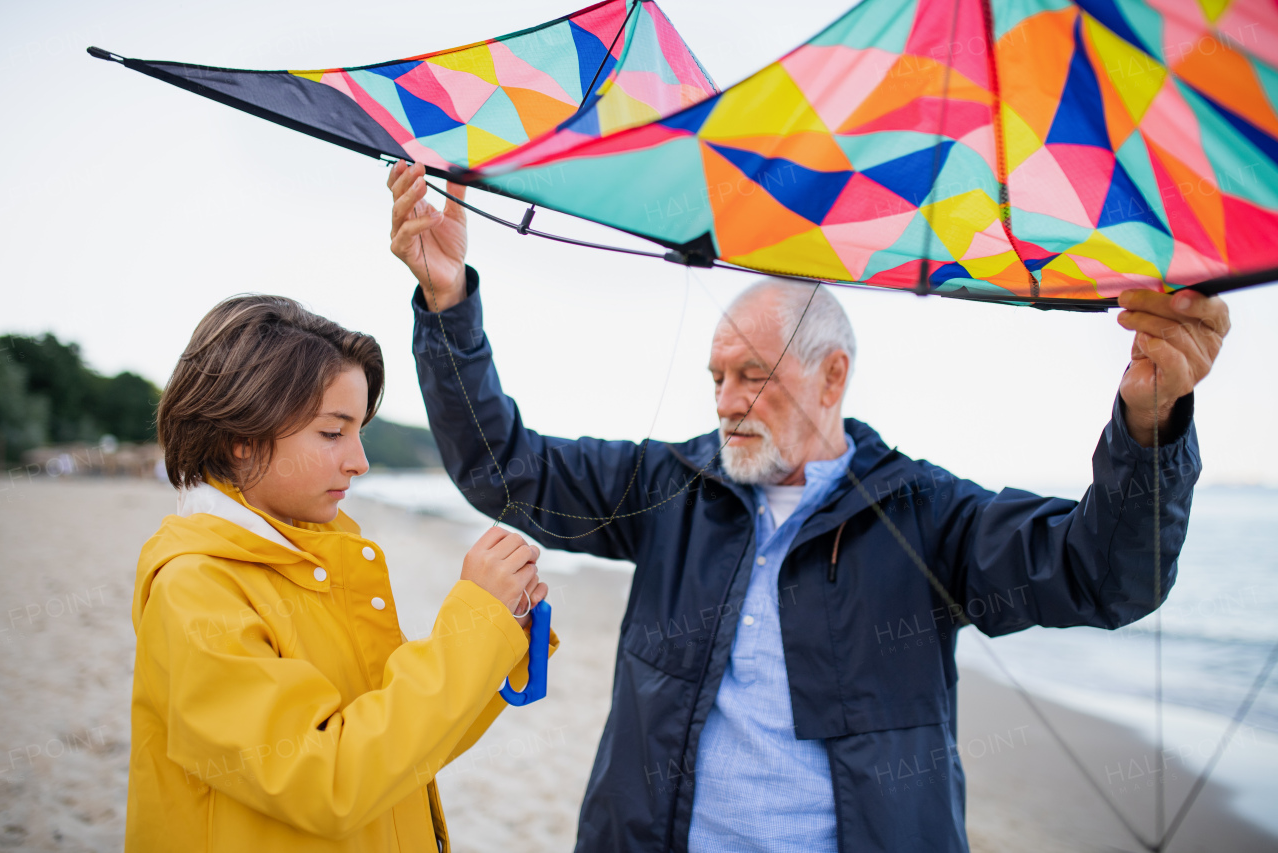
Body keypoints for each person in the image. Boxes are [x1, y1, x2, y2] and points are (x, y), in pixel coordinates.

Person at [387, 162, 1229, 853]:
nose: (727, 399)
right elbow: (505, 469)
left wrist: (1150, 428)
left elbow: (1104, 576)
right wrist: (447, 306)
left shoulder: (926, 513)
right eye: (717, 378)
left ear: (833, 377)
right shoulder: (670, 488)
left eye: (753, 374)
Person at [126, 294, 554, 851]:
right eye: (333, 433)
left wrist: (502, 633)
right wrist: (473, 627)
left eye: (359, 433)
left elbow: (406, 749)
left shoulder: (319, 560)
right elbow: (329, 782)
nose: (359, 461)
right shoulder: (195, 588)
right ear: (241, 439)